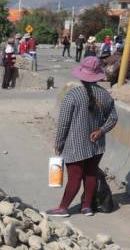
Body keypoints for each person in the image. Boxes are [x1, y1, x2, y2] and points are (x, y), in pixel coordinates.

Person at [48, 56, 118, 218]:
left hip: (75, 144)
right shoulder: (105, 95)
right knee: (90, 174)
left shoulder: (73, 95)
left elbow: (64, 123)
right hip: (97, 144)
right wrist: (101, 131)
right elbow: (113, 118)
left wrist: (59, 143)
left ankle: (63, 208)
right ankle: (86, 207)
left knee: (75, 178)